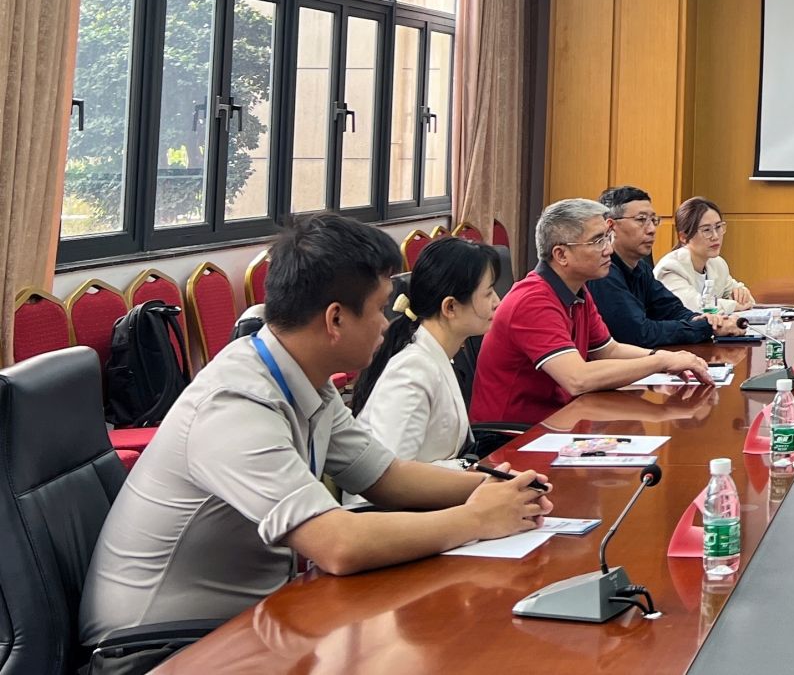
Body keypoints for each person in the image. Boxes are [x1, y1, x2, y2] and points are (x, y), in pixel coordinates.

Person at [79, 214, 550, 656]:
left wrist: (494, 487)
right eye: (378, 309)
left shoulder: (305, 378)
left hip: (258, 619)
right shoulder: (234, 405)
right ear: (335, 319)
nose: (386, 324)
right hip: (160, 650)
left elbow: (386, 476)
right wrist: (477, 519)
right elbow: (338, 545)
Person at [469, 198, 712, 425]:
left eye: (607, 238)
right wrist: (660, 362)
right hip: (512, 437)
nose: (609, 249)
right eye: (597, 241)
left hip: (561, 421)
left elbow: (608, 351)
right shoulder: (532, 300)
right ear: (561, 254)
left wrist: (666, 358)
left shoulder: (578, 290)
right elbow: (578, 379)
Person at [349, 235, 501, 468]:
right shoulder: (413, 370)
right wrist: (466, 470)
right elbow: (391, 474)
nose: (497, 301)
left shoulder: (436, 354)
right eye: (488, 293)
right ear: (450, 307)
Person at [589, 185, 740, 346]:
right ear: (611, 226)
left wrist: (702, 320)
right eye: (641, 220)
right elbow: (639, 333)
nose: (652, 229)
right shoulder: (602, 271)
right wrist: (705, 327)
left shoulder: (641, 268)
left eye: (653, 220)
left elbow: (671, 309)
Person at [654, 196, 755, 313]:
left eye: (718, 227)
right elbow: (693, 307)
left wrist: (741, 294)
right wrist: (733, 305)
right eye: (706, 230)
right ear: (683, 237)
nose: (715, 236)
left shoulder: (717, 264)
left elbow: (747, 300)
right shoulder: (670, 268)